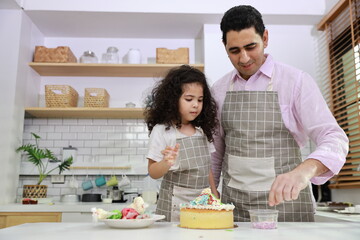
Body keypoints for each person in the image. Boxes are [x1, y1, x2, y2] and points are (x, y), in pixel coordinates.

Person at [211, 5, 349, 222]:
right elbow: (215, 153)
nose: (244, 58)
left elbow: (334, 138)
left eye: (251, 46)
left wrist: (304, 171)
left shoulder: (296, 82)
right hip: (234, 210)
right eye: (234, 50)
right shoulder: (218, 90)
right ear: (224, 47)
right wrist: (210, 195)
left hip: (287, 209)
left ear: (265, 38)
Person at [144, 65, 219, 222]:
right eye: (189, 99)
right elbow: (153, 171)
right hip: (174, 205)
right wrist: (166, 163)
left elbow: (207, 168)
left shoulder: (202, 130)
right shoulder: (163, 131)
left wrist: (215, 194)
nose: (195, 105)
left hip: (203, 203)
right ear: (173, 99)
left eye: (200, 100)